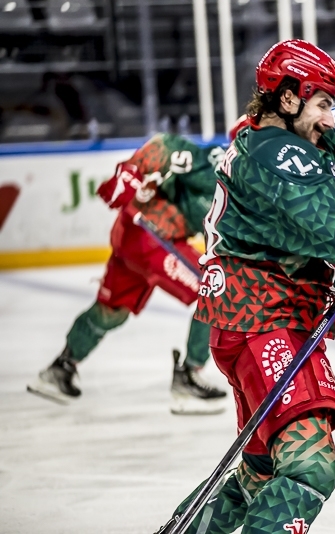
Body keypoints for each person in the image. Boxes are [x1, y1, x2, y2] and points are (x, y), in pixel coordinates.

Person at [155, 39, 335, 533]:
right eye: (323, 104)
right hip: (264, 320)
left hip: (258, 321)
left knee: (260, 474)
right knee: (309, 467)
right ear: (289, 98)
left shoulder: (292, 141)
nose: (330, 120)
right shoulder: (278, 153)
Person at [27, 133, 229, 415]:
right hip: (152, 235)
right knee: (217, 290)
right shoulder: (223, 162)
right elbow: (167, 146)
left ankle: (60, 369)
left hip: (136, 234)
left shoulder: (262, 185)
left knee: (112, 311)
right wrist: (132, 170)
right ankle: (189, 376)